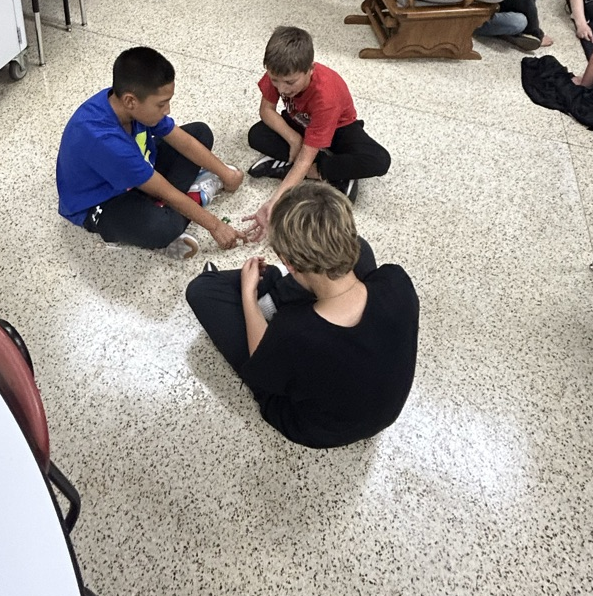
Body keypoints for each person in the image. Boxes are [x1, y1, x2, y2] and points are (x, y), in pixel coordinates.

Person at [186, 182, 419, 449]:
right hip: (383, 411)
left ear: (289, 263)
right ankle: (278, 286)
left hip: (315, 427)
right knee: (362, 251)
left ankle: (269, 291)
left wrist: (248, 295)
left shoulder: (293, 330)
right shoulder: (397, 280)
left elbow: (261, 372)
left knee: (202, 290)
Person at [56, 47, 246, 259]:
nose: (168, 110)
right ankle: (194, 196)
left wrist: (227, 174)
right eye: (161, 104)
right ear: (130, 101)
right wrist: (215, 226)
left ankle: (169, 205)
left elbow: (180, 139)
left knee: (200, 133)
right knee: (164, 227)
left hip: (138, 171)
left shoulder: (127, 101)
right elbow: (164, 190)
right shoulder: (105, 140)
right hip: (103, 201)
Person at [243, 26, 390, 237]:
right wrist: (294, 139)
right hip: (302, 123)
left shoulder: (326, 96)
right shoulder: (279, 69)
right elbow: (266, 111)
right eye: (275, 81)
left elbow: (304, 159)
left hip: (340, 128)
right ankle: (335, 171)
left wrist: (274, 202)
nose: (282, 89)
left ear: (310, 69)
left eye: (290, 82)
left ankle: (317, 171)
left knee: (378, 160)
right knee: (256, 135)